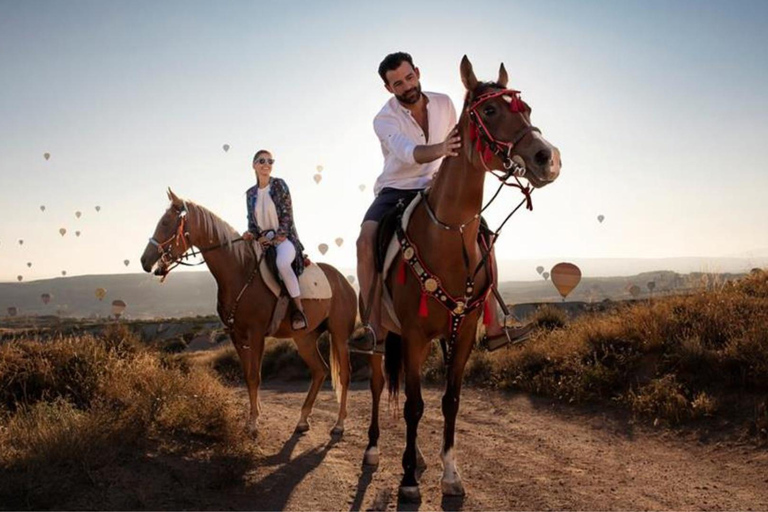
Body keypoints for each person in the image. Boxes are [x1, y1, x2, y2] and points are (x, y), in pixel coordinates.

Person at [347, 52, 532, 354]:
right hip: (396, 189)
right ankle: (373, 327)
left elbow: (471, 140)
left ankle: (495, 327)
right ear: (388, 88)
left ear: (417, 73)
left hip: (437, 187)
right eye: (397, 84)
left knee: (484, 237)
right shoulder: (384, 119)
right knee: (365, 242)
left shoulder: (444, 103)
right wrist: (442, 147)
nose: (406, 86)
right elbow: (408, 152)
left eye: (409, 78)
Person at [242, 149, 308, 330]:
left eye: (270, 161)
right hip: (263, 240)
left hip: (284, 239)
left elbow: (287, 215)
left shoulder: (279, 185)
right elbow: (252, 223)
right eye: (262, 160)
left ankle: (298, 310)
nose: (266, 164)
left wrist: (276, 239)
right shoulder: (250, 194)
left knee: (282, 263)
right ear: (253, 165)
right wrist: (253, 235)